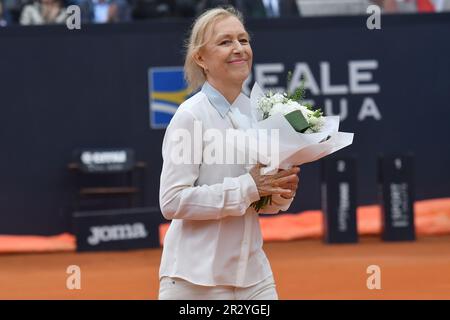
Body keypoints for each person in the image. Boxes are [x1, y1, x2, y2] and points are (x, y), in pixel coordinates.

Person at [158, 6, 300, 300]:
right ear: (201, 58)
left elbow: (259, 203)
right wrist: (249, 186)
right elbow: (171, 202)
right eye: (225, 42)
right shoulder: (190, 116)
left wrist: (279, 192)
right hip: (194, 282)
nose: (239, 49)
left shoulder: (260, 114)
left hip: (253, 276)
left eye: (243, 40)